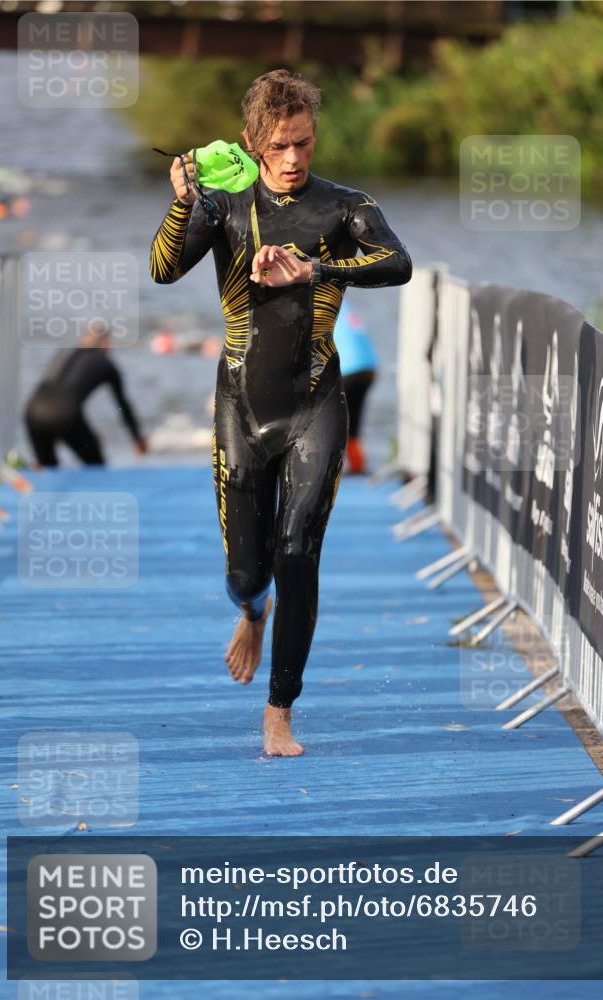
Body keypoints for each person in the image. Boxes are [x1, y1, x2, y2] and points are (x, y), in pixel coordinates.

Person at [150, 69, 411, 756]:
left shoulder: (342, 207)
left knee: (297, 552)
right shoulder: (226, 205)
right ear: (251, 143)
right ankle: (251, 611)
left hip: (314, 404)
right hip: (240, 405)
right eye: (278, 146)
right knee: (247, 571)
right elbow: (162, 270)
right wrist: (184, 203)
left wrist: (316, 269)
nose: (293, 158)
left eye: (303, 142)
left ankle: (279, 712)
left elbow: (398, 263)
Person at [24, 322, 147, 467]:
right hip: (65, 413)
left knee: (47, 469)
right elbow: (123, 405)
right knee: (96, 468)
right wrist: (137, 438)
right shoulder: (106, 363)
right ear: (106, 343)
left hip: (33, 410)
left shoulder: (64, 352)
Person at [332, 305, 379, 474]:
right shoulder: (343, 305)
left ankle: (332, 467)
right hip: (368, 367)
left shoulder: (317, 300)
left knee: (333, 420)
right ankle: (357, 465)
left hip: (349, 368)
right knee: (352, 420)